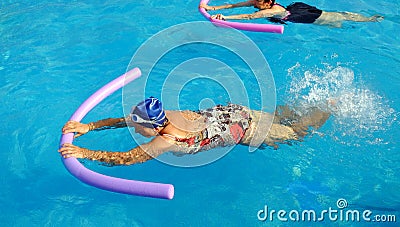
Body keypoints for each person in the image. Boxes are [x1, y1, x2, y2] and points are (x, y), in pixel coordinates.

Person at [59, 97, 330, 166]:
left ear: (153, 127)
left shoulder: (165, 140)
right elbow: (125, 119)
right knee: (278, 117)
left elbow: (126, 159)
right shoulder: (163, 115)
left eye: (137, 124)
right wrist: (89, 126)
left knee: (295, 135)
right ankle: (312, 102)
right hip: (233, 111)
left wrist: (84, 152)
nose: (133, 125)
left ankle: (330, 109)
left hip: (242, 128)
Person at [200, 0, 383, 27]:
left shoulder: (271, 10)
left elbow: (249, 17)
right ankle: (366, 18)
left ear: (268, 3)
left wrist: (224, 19)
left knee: (335, 18)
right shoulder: (260, 3)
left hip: (300, 16)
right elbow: (234, 4)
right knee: (335, 18)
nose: (253, 1)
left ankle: (369, 19)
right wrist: (212, 8)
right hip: (294, 8)